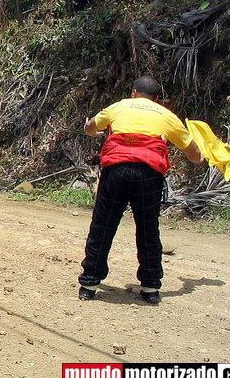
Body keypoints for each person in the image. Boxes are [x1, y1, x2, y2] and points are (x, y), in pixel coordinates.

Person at [78, 76, 204, 304]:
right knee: (148, 229)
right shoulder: (167, 116)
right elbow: (193, 153)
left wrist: (92, 132)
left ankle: (89, 283)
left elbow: (90, 127)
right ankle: (150, 287)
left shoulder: (119, 106)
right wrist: (201, 157)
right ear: (157, 99)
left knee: (103, 225)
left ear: (134, 92)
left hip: (116, 170)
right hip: (149, 175)